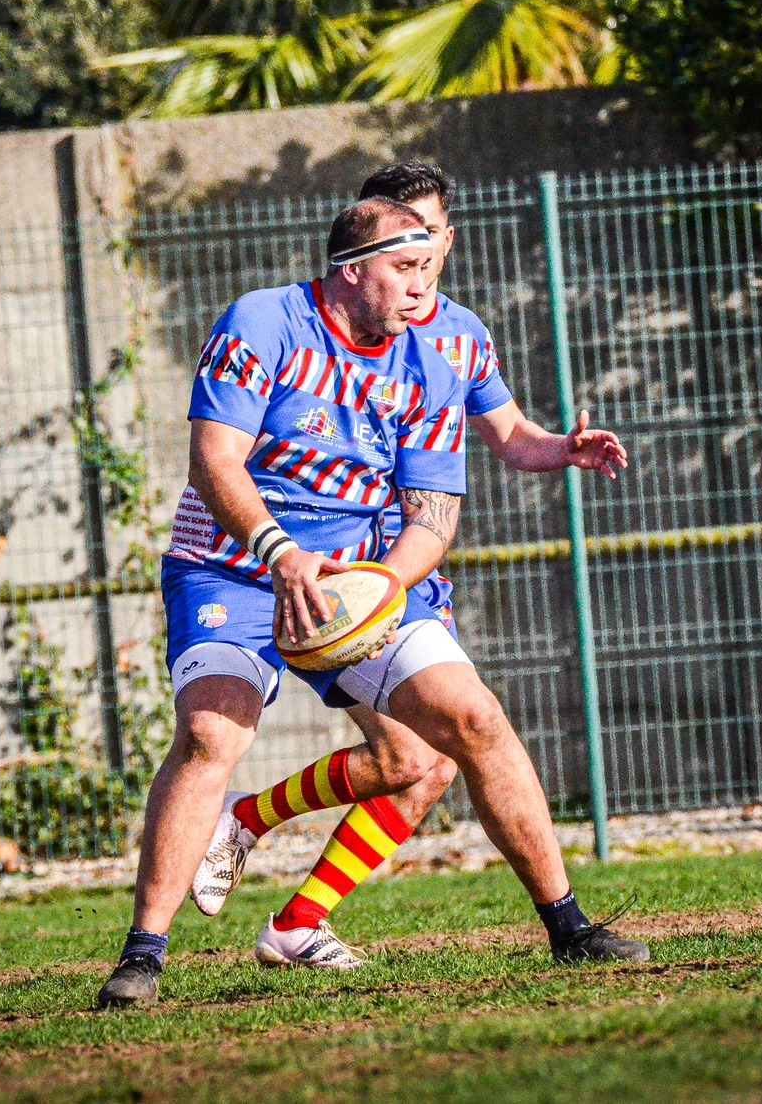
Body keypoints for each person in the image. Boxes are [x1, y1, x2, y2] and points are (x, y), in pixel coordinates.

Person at [97, 196, 645, 1009]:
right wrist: (280, 553)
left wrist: (379, 587)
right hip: (233, 568)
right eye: (407, 266)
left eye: (432, 263)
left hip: (358, 580)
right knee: (214, 731)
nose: (427, 286)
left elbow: (432, 513)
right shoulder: (265, 323)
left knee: (469, 725)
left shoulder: (435, 348)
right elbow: (217, 462)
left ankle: (568, 927)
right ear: (353, 270)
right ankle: (143, 956)